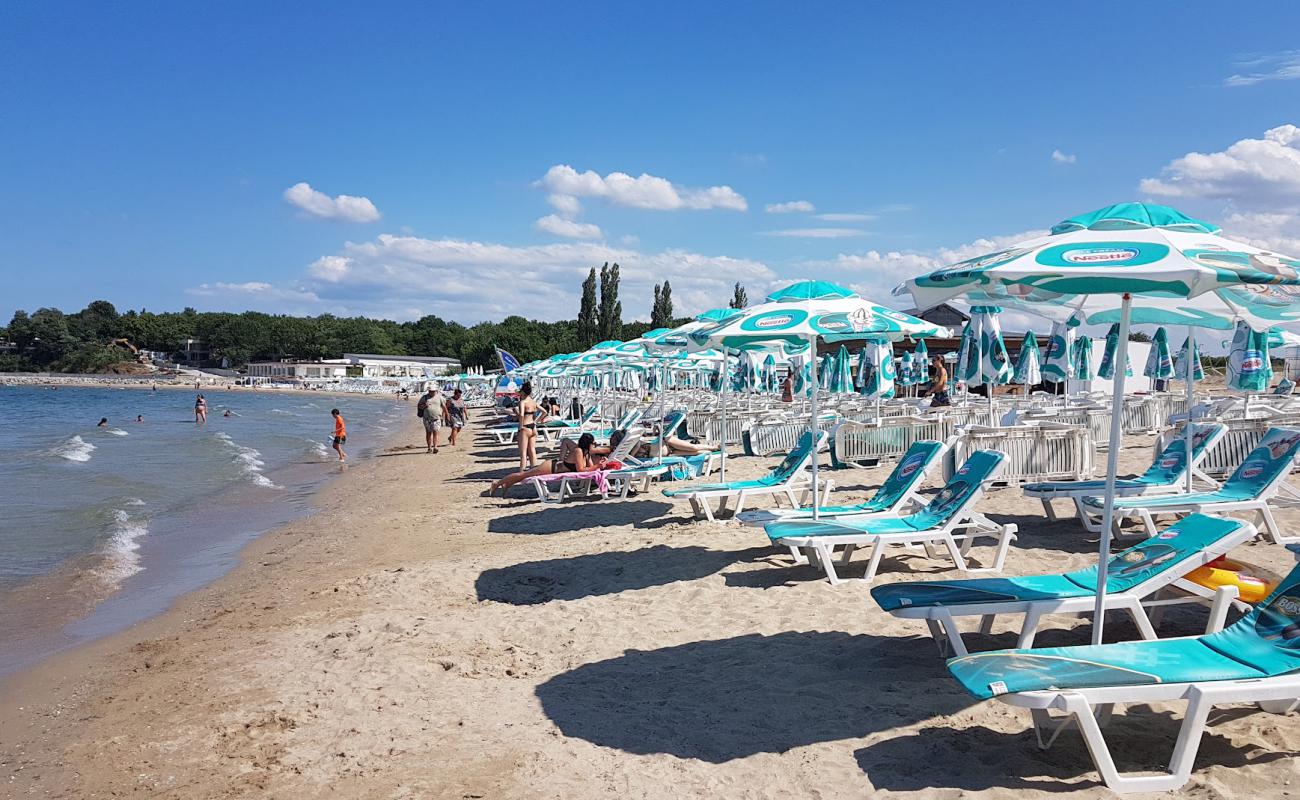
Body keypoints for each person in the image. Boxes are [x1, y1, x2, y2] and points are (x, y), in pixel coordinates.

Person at [488, 432, 602, 496]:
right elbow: (581, 470)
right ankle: (497, 483)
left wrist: (599, 464)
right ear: (588, 443)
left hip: (556, 467)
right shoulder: (578, 451)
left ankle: (507, 484)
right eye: (593, 443)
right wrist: (598, 466)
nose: (594, 445)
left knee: (524, 475)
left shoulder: (586, 453)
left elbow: (590, 468)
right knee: (523, 475)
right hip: (551, 467)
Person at [515, 381, 544, 470]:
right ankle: (534, 470)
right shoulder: (533, 402)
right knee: (532, 451)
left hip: (525, 427)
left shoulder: (522, 402)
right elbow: (545, 412)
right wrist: (536, 421)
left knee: (523, 453)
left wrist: (520, 426)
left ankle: (522, 472)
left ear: (523, 392)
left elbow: (522, 415)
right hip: (533, 427)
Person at [417, 386, 446, 453]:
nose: (431, 392)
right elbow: (419, 406)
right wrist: (424, 406)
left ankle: (435, 447)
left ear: (436, 391)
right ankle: (429, 447)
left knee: (435, 432)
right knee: (428, 433)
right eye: (430, 391)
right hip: (427, 418)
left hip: (437, 418)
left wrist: (446, 415)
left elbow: (444, 406)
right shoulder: (424, 397)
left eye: (433, 391)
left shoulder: (439, 397)